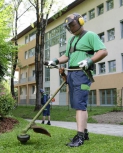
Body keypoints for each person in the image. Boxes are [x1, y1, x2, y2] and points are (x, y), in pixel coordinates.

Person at [47, 13, 108, 147]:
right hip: (72, 74)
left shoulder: (90, 35)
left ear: (81, 22)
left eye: (73, 25)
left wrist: (89, 60)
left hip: (83, 73)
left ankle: (79, 137)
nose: (71, 28)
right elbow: (66, 56)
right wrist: (55, 61)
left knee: (79, 105)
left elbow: (103, 51)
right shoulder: (71, 40)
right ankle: (84, 133)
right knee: (79, 105)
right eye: (69, 26)